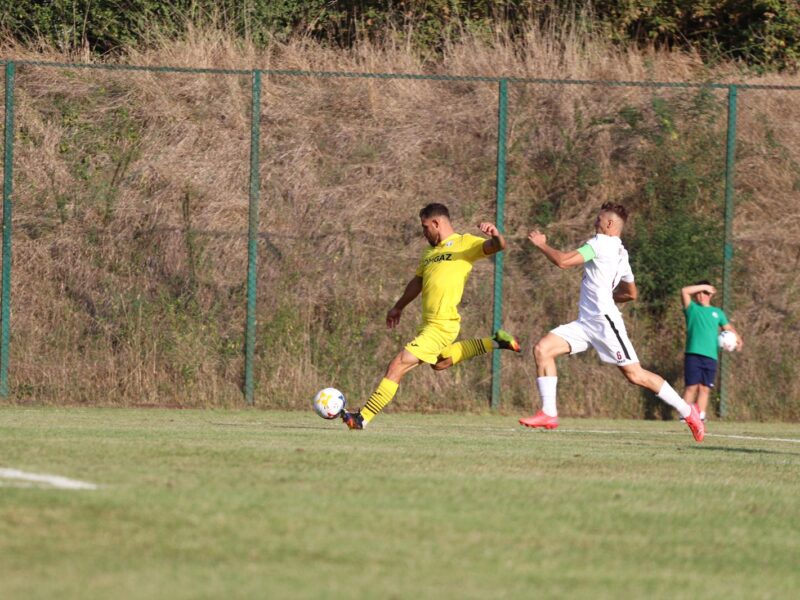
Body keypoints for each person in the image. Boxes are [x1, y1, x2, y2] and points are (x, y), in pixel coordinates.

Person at [519, 202, 705, 442]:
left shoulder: (600, 243)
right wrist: (607, 295)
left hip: (605, 323)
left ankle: (688, 411)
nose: (595, 224)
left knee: (635, 375)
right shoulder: (621, 252)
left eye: (597, 220)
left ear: (608, 224)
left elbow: (564, 262)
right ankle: (549, 413)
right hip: (586, 323)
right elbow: (631, 293)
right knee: (543, 349)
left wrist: (541, 244)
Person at [340, 202, 521, 429]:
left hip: (443, 325)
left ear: (436, 223)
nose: (424, 232)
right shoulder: (429, 253)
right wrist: (398, 306)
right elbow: (418, 283)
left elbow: (497, 246)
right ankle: (496, 341)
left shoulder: (465, 243)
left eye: (425, 227)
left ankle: (362, 418)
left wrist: (496, 234)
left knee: (398, 364)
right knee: (441, 362)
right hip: (429, 325)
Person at [680, 281, 743, 422]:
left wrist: (738, 339)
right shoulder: (692, 309)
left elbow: (728, 328)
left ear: (710, 295)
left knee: (705, 388)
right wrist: (704, 287)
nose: (701, 296)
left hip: (711, 356)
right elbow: (684, 290)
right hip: (693, 354)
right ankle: (685, 416)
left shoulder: (717, 313)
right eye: (699, 293)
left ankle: (700, 416)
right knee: (691, 386)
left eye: (705, 293)